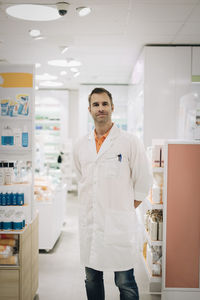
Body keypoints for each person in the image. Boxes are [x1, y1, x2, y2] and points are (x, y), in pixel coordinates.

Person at [73, 87, 152, 300]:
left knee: (124, 281)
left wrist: (125, 207)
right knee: (92, 278)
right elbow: (81, 176)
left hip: (119, 222)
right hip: (91, 222)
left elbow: (143, 180)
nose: (101, 109)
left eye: (104, 104)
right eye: (96, 105)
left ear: (112, 107)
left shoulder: (129, 142)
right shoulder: (81, 145)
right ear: (89, 109)